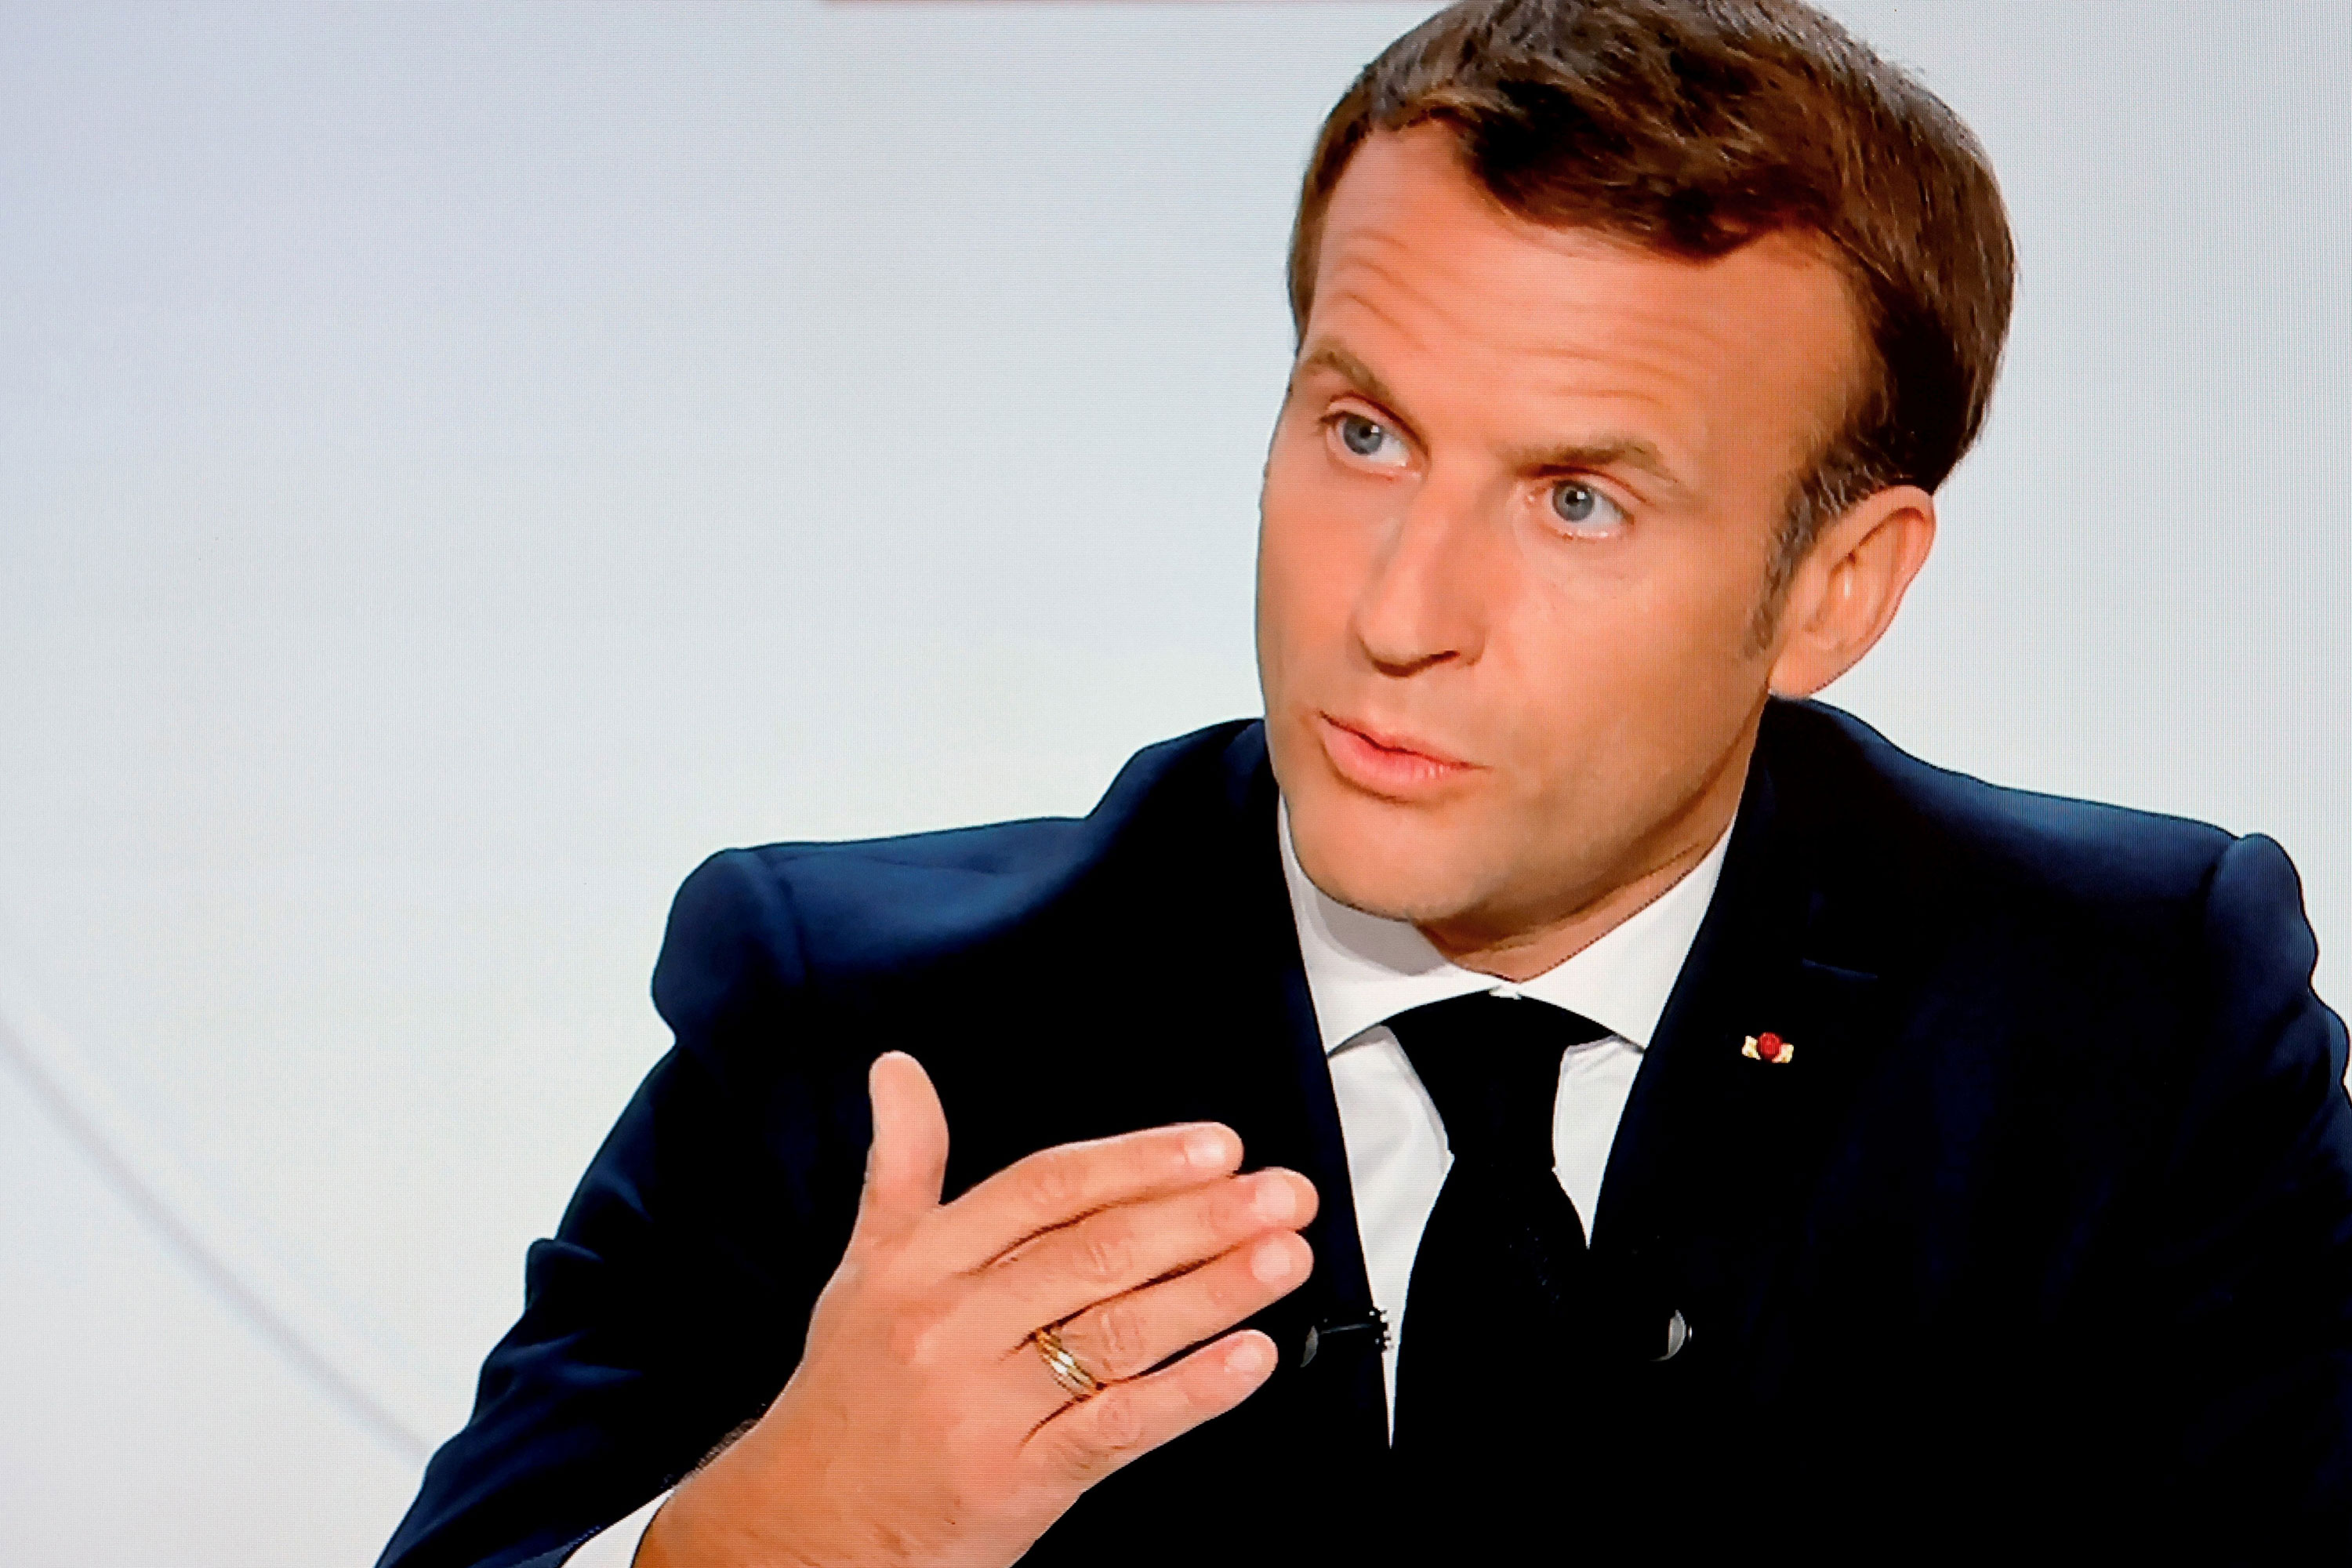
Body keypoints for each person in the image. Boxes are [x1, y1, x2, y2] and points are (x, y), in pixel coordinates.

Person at [378, 2, 2352, 1563]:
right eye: (1366, 432)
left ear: (1834, 589)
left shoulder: (2139, 1022)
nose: (1397, 611)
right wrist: (770, 1554)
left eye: (1578, 498)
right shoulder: (866, 1025)